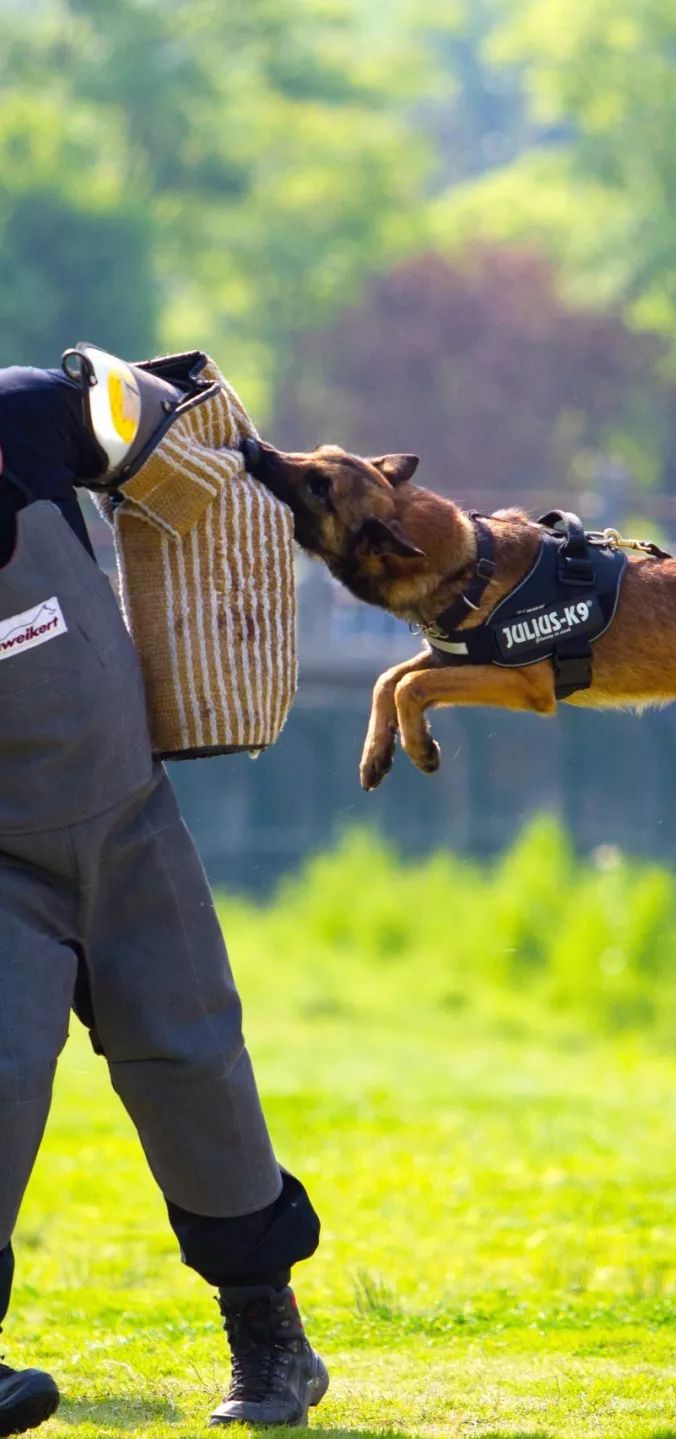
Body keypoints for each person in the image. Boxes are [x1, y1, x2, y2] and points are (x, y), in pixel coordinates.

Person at [0, 364, 327, 1433]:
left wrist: (206, 479)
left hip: (128, 823)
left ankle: (271, 1340)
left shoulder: (28, 415)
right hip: (2, 867)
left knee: (196, 1066)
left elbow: (187, 426)